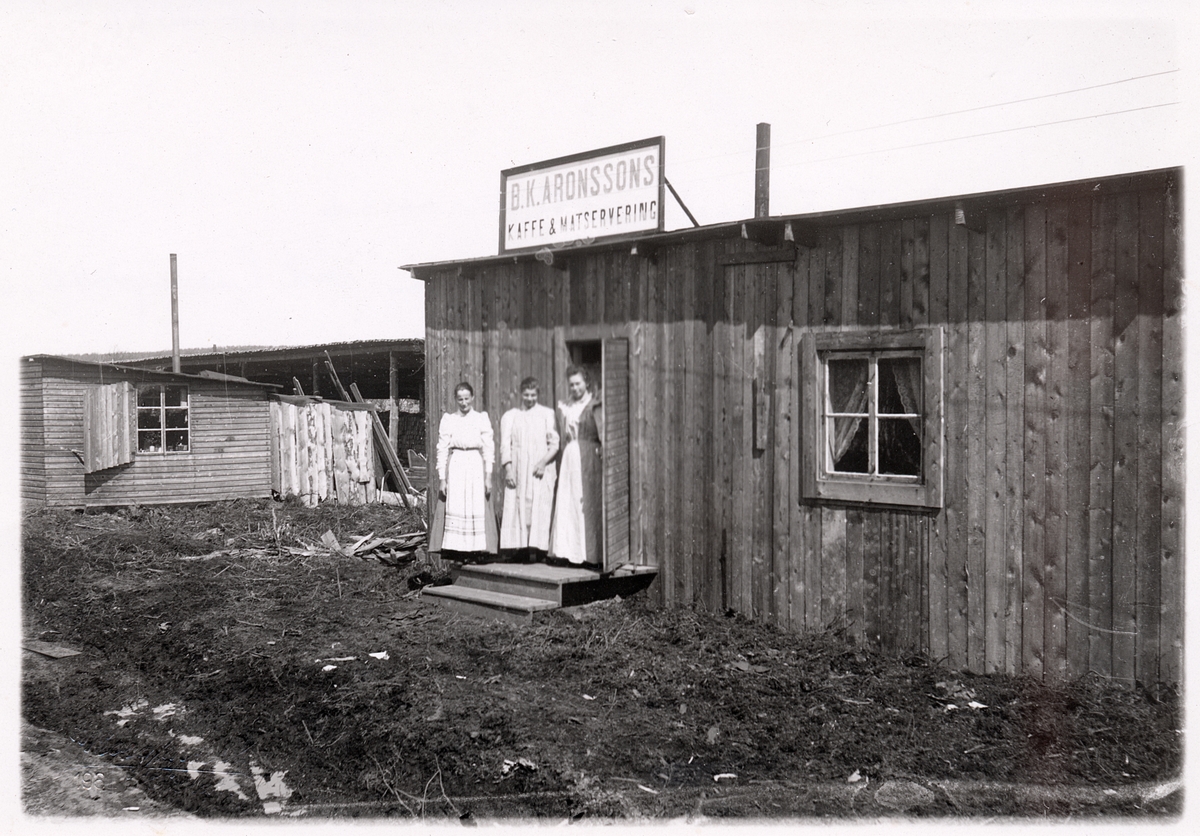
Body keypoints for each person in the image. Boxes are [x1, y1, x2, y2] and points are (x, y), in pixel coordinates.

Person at [432, 381, 497, 557]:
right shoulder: (449, 420)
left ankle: (476, 550)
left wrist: (488, 476)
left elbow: (488, 448)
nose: (464, 402)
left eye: (467, 398)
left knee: (476, 505)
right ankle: (459, 551)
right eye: (460, 399)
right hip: (457, 464)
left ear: (472, 398)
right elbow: (442, 449)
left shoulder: (481, 418)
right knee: (457, 505)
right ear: (455, 399)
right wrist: (442, 479)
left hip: (475, 463)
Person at [549, 365, 603, 568]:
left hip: (589, 457)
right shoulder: (565, 406)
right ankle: (568, 552)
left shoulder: (595, 404)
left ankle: (590, 555)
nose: (575, 388)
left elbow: (603, 432)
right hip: (570, 456)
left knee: (587, 504)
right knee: (569, 503)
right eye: (571, 384)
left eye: (578, 383)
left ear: (586, 382)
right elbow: (558, 434)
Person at [499, 377, 559, 559]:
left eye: (533, 395)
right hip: (518, 470)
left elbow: (554, 444)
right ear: (521, 394)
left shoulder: (547, 414)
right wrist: (508, 469)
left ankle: (540, 550)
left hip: (540, 470)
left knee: (540, 506)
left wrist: (543, 463)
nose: (530, 398)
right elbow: (505, 445)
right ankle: (520, 548)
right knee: (519, 506)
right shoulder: (511, 416)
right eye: (526, 395)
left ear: (537, 394)